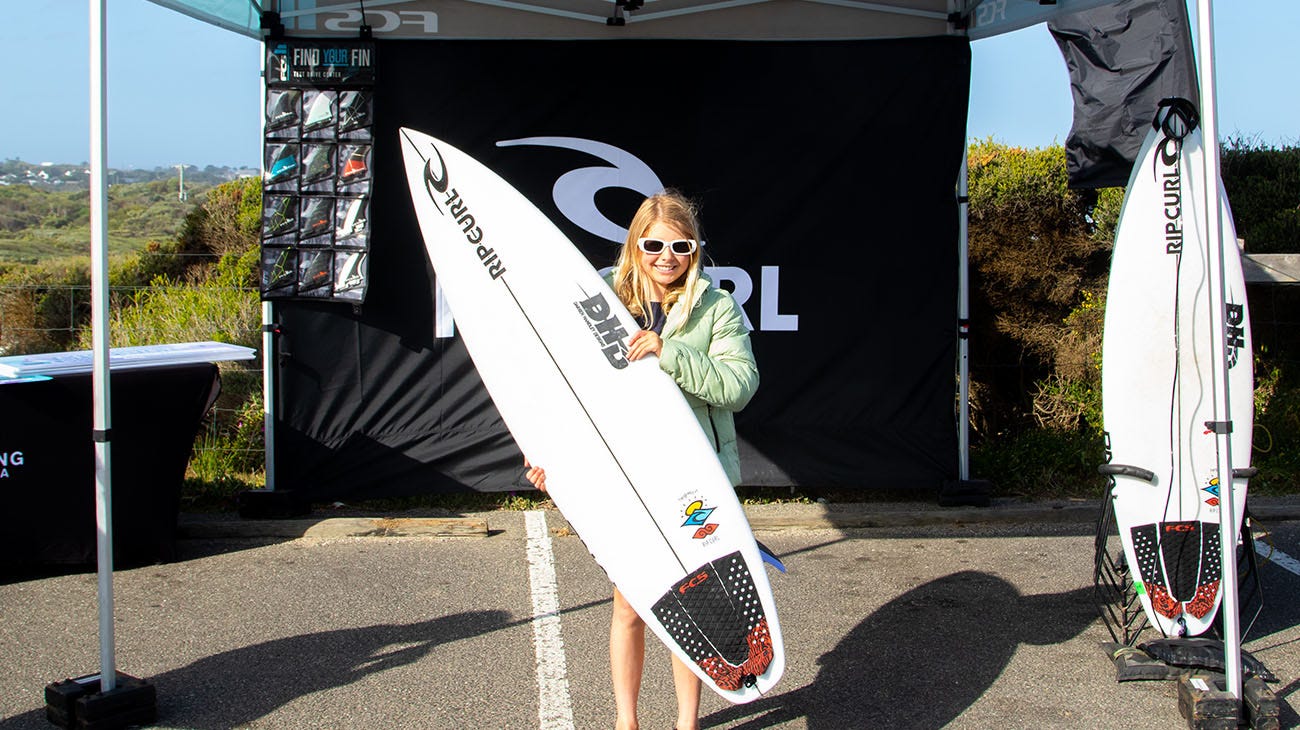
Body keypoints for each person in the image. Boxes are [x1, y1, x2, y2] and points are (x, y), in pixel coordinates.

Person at [524, 190, 759, 730]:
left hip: (691, 480)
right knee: (630, 605)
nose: (666, 256)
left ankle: (686, 722)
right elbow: (558, 384)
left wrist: (668, 351)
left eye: (680, 245)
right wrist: (544, 455)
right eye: (653, 244)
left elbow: (740, 386)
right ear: (636, 243)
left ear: (695, 249)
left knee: (690, 609)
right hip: (624, 478)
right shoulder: (597, 294)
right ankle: (625, 723)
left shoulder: (715, 306)